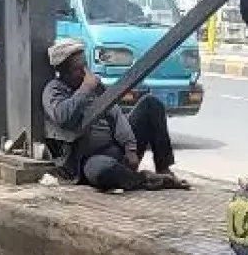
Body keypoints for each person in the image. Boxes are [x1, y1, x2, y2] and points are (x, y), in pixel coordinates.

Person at [42, 38, 188, 192]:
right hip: (90, 158)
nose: (85, 72)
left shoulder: (96, 88)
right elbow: (63, 117)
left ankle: (163, 169)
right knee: (101, 172)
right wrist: (85, 89)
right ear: (64, 72)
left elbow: (116, 113)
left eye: (85, 65)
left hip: (119, 148)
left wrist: (130, 147)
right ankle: (145, 179)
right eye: (78, 69)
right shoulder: (54, 90)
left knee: (150, 104)